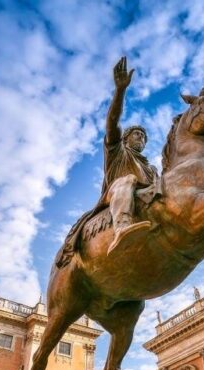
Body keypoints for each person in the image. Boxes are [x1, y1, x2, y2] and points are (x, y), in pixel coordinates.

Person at [57, 57, 159, 266]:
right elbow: (112, 121)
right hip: (115, 194)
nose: (141, 138)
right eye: (136, 134)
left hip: (143, 198)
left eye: (143, 136)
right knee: (128, 180)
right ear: (125, 138)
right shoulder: (117, 151)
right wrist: (120, 91)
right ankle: (122, 227)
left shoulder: (150, 168)